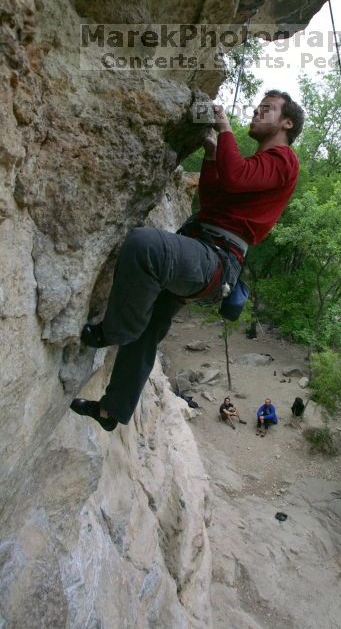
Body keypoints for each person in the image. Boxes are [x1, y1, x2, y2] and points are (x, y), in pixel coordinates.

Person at [70, 90, 304, 431]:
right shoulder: (258, 167)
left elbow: (237, 176)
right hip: (202, 251)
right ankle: (112, 410)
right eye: (257, 107)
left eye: (266, 109)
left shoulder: (284, 160)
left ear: (287, 122)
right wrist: (211, 156)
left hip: (216, 260)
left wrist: (224, 130)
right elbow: (211, 200)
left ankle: (115, 330)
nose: (256, 112)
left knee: (145, 244)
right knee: (149, 327)